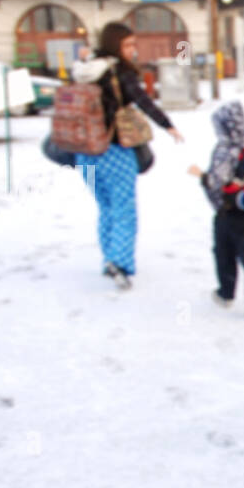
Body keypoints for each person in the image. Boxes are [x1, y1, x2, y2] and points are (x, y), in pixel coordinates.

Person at [71, 21, 184, 289]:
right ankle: (118, 263)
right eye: (128, 44)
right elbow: (144, 101)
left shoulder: (83, 70)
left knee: (106, 207)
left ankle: (108, 258)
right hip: (113, 149)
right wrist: (168, 125)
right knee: (124, 209)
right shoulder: (119, 72)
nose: (133, 50)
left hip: (84, 152)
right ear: (115, 45)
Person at [186, 100, 244, 319]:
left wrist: (199, 175)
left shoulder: (224, 149)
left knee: (223, 253)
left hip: (226, 212)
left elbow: (216, 180)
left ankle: (226, 293)